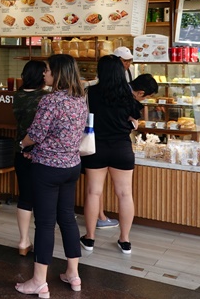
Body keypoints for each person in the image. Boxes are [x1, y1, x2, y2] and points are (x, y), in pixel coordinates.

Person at [15, 54, 88, 295]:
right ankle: (73, 274)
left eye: (47, 70)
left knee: (45, 223)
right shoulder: (80, 98)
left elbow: (35, 134)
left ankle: (38, 281)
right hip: (72, 165)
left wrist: (23, 145)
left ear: (57, 73)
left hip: (47, 168)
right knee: (67, 218)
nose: (44, 74)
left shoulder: (50, 101)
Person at [80, 55, 143, 255]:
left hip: (95, 147)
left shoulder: (90, 92)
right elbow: (135, 119)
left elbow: (83, 116)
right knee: (124, 194)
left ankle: (89, 238)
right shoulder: (127, 94)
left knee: (93, 192)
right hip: (121, 148)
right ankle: (125, 241)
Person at [11, 60, 48, 257]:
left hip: (20, 150)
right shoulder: (46, 98)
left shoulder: (17, 95)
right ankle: (42, 243)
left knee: (25, 197)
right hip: (42, 154)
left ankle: (23, 241)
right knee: (43, 199)